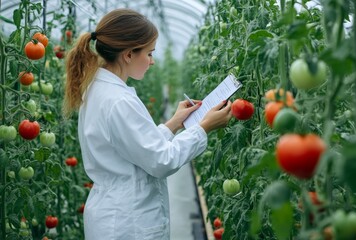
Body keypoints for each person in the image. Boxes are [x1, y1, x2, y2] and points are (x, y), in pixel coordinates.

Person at [63, 8, 232, 240]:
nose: (152, 62)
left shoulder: (99, 90)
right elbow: (162, 161)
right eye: (149, 53)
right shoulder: (118, 100)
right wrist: (203, 128)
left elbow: (137, 146)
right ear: (129, 54)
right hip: (127, 222)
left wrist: (173, 123)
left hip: (113, 214)